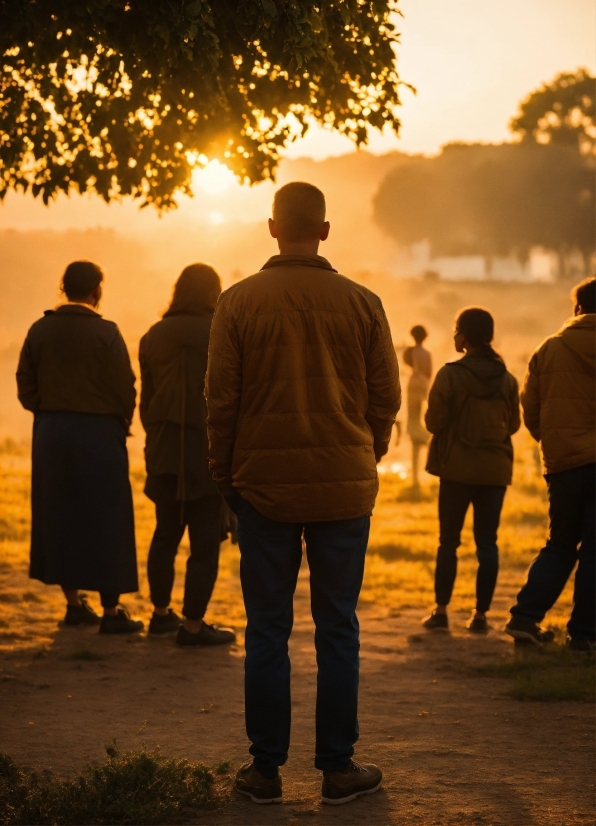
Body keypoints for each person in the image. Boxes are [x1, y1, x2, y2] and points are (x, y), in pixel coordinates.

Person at [205, 182, 401, 805]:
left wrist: (226, 479)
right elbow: (385, 398)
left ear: (271, 228)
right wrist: (362, 453)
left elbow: (221, 403)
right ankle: (338, 770)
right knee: (337, 627)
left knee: (267, 630)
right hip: (344, 491)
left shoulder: (236, 304)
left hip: (262, 489)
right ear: (324, 229)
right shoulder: (364, 303)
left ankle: (264, 772)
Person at [16, 261, 143, 633]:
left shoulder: (39, 330)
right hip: (99, 433)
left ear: (63, 288)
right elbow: (125, 386)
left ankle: (73, 605)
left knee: (60, 515)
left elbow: (25, 382)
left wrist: (47, 410)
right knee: (108, 518)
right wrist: (120, 420)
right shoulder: (107, 332)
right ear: (96, 291)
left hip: (52, 432)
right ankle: (109, 611)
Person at [139, 264, 236, 647]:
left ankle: (161, 615)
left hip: (164, 449)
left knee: (164, 535)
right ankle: (194, 625)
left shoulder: (153, 336)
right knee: (205, 543)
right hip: (208, 451)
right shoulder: (219, 333)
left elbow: (146, 401)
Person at [506, 277, 595, 650]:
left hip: (565, 465)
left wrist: (554, 441)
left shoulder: (550, 348)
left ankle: (525, 617)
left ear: (577, 308)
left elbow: (531, 407)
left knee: (560, 545)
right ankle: (586, 635)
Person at [422, 307, 520, 634]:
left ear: (464, 337)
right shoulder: (507, 379)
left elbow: (433, 422)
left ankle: (440, 612)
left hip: (457, 471)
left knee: (448, 541)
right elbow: (514, 425)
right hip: (495, 472)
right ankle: (480, 617)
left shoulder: (449, 375)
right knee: (487, 544)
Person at [402, 325, 432, 488]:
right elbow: (429, 373)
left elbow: (408, 363)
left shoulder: (411, 352)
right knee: (423, 418)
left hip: (413, 384)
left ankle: (418, 435)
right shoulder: (427, 353)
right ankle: (425, 437)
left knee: (413, 420)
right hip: (424, 385)